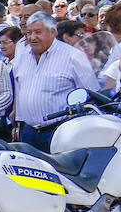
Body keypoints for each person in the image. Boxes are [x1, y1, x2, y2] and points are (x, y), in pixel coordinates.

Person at [11, 12, 100, 152]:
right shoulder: (22, 57)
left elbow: (92, 95)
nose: (32, 37)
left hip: (62, 131)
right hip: (28, 133)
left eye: (37, 32)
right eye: (29, 33)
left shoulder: (73, 56)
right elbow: (20, 89)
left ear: (52, 32)